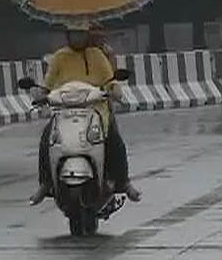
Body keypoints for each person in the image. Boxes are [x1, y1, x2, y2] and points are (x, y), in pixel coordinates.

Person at [30, 23, 141, 205]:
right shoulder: (59, 57)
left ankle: (124, 182)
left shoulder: (97, 56)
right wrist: (41, 94)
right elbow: (47, 84)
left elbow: (110, 81)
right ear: (68, 35)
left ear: (87, 35)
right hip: (64, 112)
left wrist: (115, 91)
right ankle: (45, 183)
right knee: (46, 138)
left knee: (114, 138)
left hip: (96, 111)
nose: (77, 38)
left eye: (81, 34)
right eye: (74, 34)